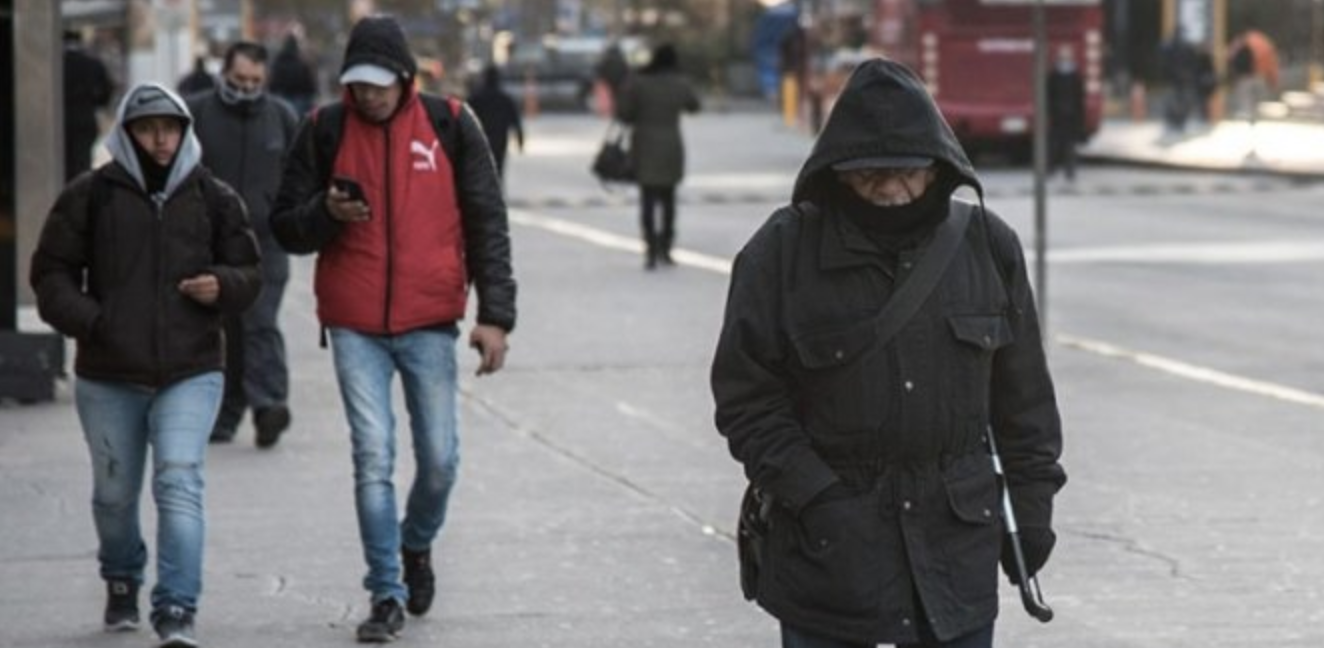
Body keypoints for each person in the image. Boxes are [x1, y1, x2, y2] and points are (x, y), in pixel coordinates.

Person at [710, 58, 1066, 648]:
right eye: (869, 174)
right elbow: (747, 400)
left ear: (938, 165)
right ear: (837, 173)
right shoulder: (781, 253)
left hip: (955, 555)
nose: (891, 189)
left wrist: (1031, 509)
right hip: (829, 558)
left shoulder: (987, 246)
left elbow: (1024, 402)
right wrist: (820, 498)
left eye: (907, 172)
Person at [270, 15, 516, 643]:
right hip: (353, 324)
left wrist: (495, 316)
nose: (369, 95)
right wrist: (326, 213)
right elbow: (285, 227)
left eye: (380, 83)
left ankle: (416, 544)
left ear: (405, 78)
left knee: (439, 460)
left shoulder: (451, 124)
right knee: (372, 456)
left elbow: (488, 222)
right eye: (358, 83)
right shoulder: (323, 128)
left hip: (431, 319)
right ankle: (385, 592)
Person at [29, 82, 261, 647]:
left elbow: (250, 272)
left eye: (171, 128)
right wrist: (93, 320)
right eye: (148, 128)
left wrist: (222, 285)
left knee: (179, 482)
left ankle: (177, 607)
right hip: (109, 373)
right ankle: (121, 576)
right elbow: (50, 274)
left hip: (192, 369)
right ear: (126, 133)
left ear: (185, 131)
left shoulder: (214, 196)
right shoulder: (91, 195)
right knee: (113, 495)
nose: (161, 139)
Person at [187, 41, 300, 447]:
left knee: (259, 320)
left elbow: (298, 175)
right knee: (227, 328)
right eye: (239, 80)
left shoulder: (281, 117)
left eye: (255, 81)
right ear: (224, 74)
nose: (247, 88)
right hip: (212, 242)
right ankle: (226, 414)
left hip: (266, 242)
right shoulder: (197, 113)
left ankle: (270, 403)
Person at [615, 43, 700, 270]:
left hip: (643, 145)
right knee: (669, 199)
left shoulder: (639, 83)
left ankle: (650, 248)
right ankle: (666, 246)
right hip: (671, 146)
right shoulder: (679, 83)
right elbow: (694, 106)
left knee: (648, 200)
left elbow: (624, 114)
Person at [62, 29, 114, 181]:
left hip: (60, 120)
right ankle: (81, 192)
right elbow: (106, 92)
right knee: (82, 161)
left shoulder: (56, 64)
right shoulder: (93, 63)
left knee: (63, 161)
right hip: (85, 119)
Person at [466, 64, 524, 180]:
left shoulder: (475, 99)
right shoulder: (505, 99)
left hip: (480, 141)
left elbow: (464, 121)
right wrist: (520, 139)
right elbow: (515, 121)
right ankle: (496, 193)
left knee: (481, 171)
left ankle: (483, 194)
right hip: (500, 141)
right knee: (498, 169)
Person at [1046, 45, 1085, 181]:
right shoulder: (1054, 74)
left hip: (1071, 115)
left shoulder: (1075, 75)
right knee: (1055, 144)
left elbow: (1079, 96)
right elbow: (1049, 94)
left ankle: (1070, 170)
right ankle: (1052, 168)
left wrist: (1080, 116)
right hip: (1058, 114)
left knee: (1069, 145)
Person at [269, 33, 319, 117]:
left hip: (281, 96)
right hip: (299, 98)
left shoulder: (278, 62)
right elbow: (309, 85)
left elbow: (273, 83)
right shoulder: (302, 63)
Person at [594, 42, 630, 115]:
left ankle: (608, 110)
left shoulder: (605, 60)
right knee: (619, 96)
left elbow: (599, 70)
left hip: (608, 81)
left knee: (608, 97)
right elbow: (627, 71)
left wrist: (601, 78)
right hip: (620, 81)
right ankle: (619, 110)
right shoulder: (622, 60)